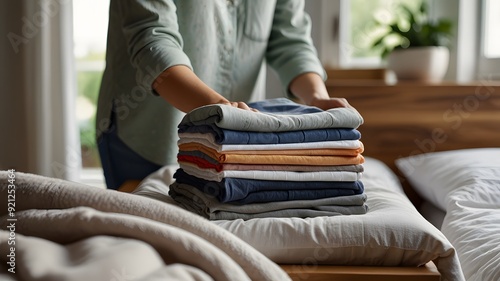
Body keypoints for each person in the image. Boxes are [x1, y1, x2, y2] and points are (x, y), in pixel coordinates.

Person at [96, 0, 352, 190]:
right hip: (146, 133)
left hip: (231, 141)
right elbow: (153, 42)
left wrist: (316, 98)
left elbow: (290, 38)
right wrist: (220, 109)